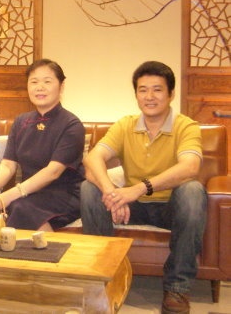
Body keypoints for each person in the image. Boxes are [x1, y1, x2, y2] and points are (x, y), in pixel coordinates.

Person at [80, 61, 205, 314]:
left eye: (157, 89)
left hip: (170, 206)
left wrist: (137, 189)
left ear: (171, 94)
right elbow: (93, 158)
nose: (149, 97)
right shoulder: (126, 125)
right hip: (133, 207)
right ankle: (103, 278)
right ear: (136, 94)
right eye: (143, 90)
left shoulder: (186, 126)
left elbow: (190, 167)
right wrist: (111, 193)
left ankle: (177, 288)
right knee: (88, 188)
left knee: (192, 191)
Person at [0, 59, 85, 231]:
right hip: (30, 193)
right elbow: (8, 165)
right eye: (34, 82)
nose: (40, 87)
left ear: (61, 86)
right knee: (14, 206)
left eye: (47, 81)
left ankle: (39, 247)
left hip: (64, 194)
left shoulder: (71, 125)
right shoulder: (21, 122)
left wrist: (10, 195)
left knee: (20, 207)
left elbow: (53, 172)